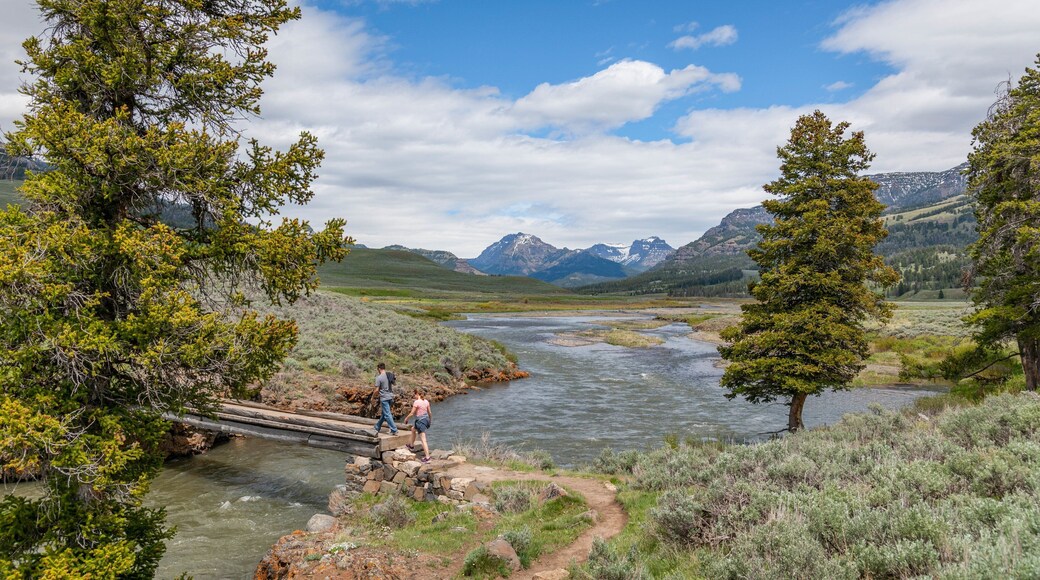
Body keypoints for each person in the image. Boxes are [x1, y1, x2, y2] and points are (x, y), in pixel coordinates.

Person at [403, 390, 432, 463]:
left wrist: (406, 418)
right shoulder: (426, 401)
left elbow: (412, 413)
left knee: (423, 439)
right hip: (425, 419)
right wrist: (430, 421)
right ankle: (411, 446)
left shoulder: (416, 402)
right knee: (413, 429)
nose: (414, 396)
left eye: (414, 394)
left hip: (420, 421)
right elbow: (430, 413)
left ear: (417, 394)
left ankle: (428, 458)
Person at [372, 363, 398, 436]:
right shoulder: (389, 375)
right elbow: (394, 383)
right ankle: (377, 427)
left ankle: (394, 430)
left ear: (379, 369)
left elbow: (377, 390)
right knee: (384, 414)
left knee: (387, 414)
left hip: (384, 398)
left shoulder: (379, 378)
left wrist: (373, 396)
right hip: (390, 396)